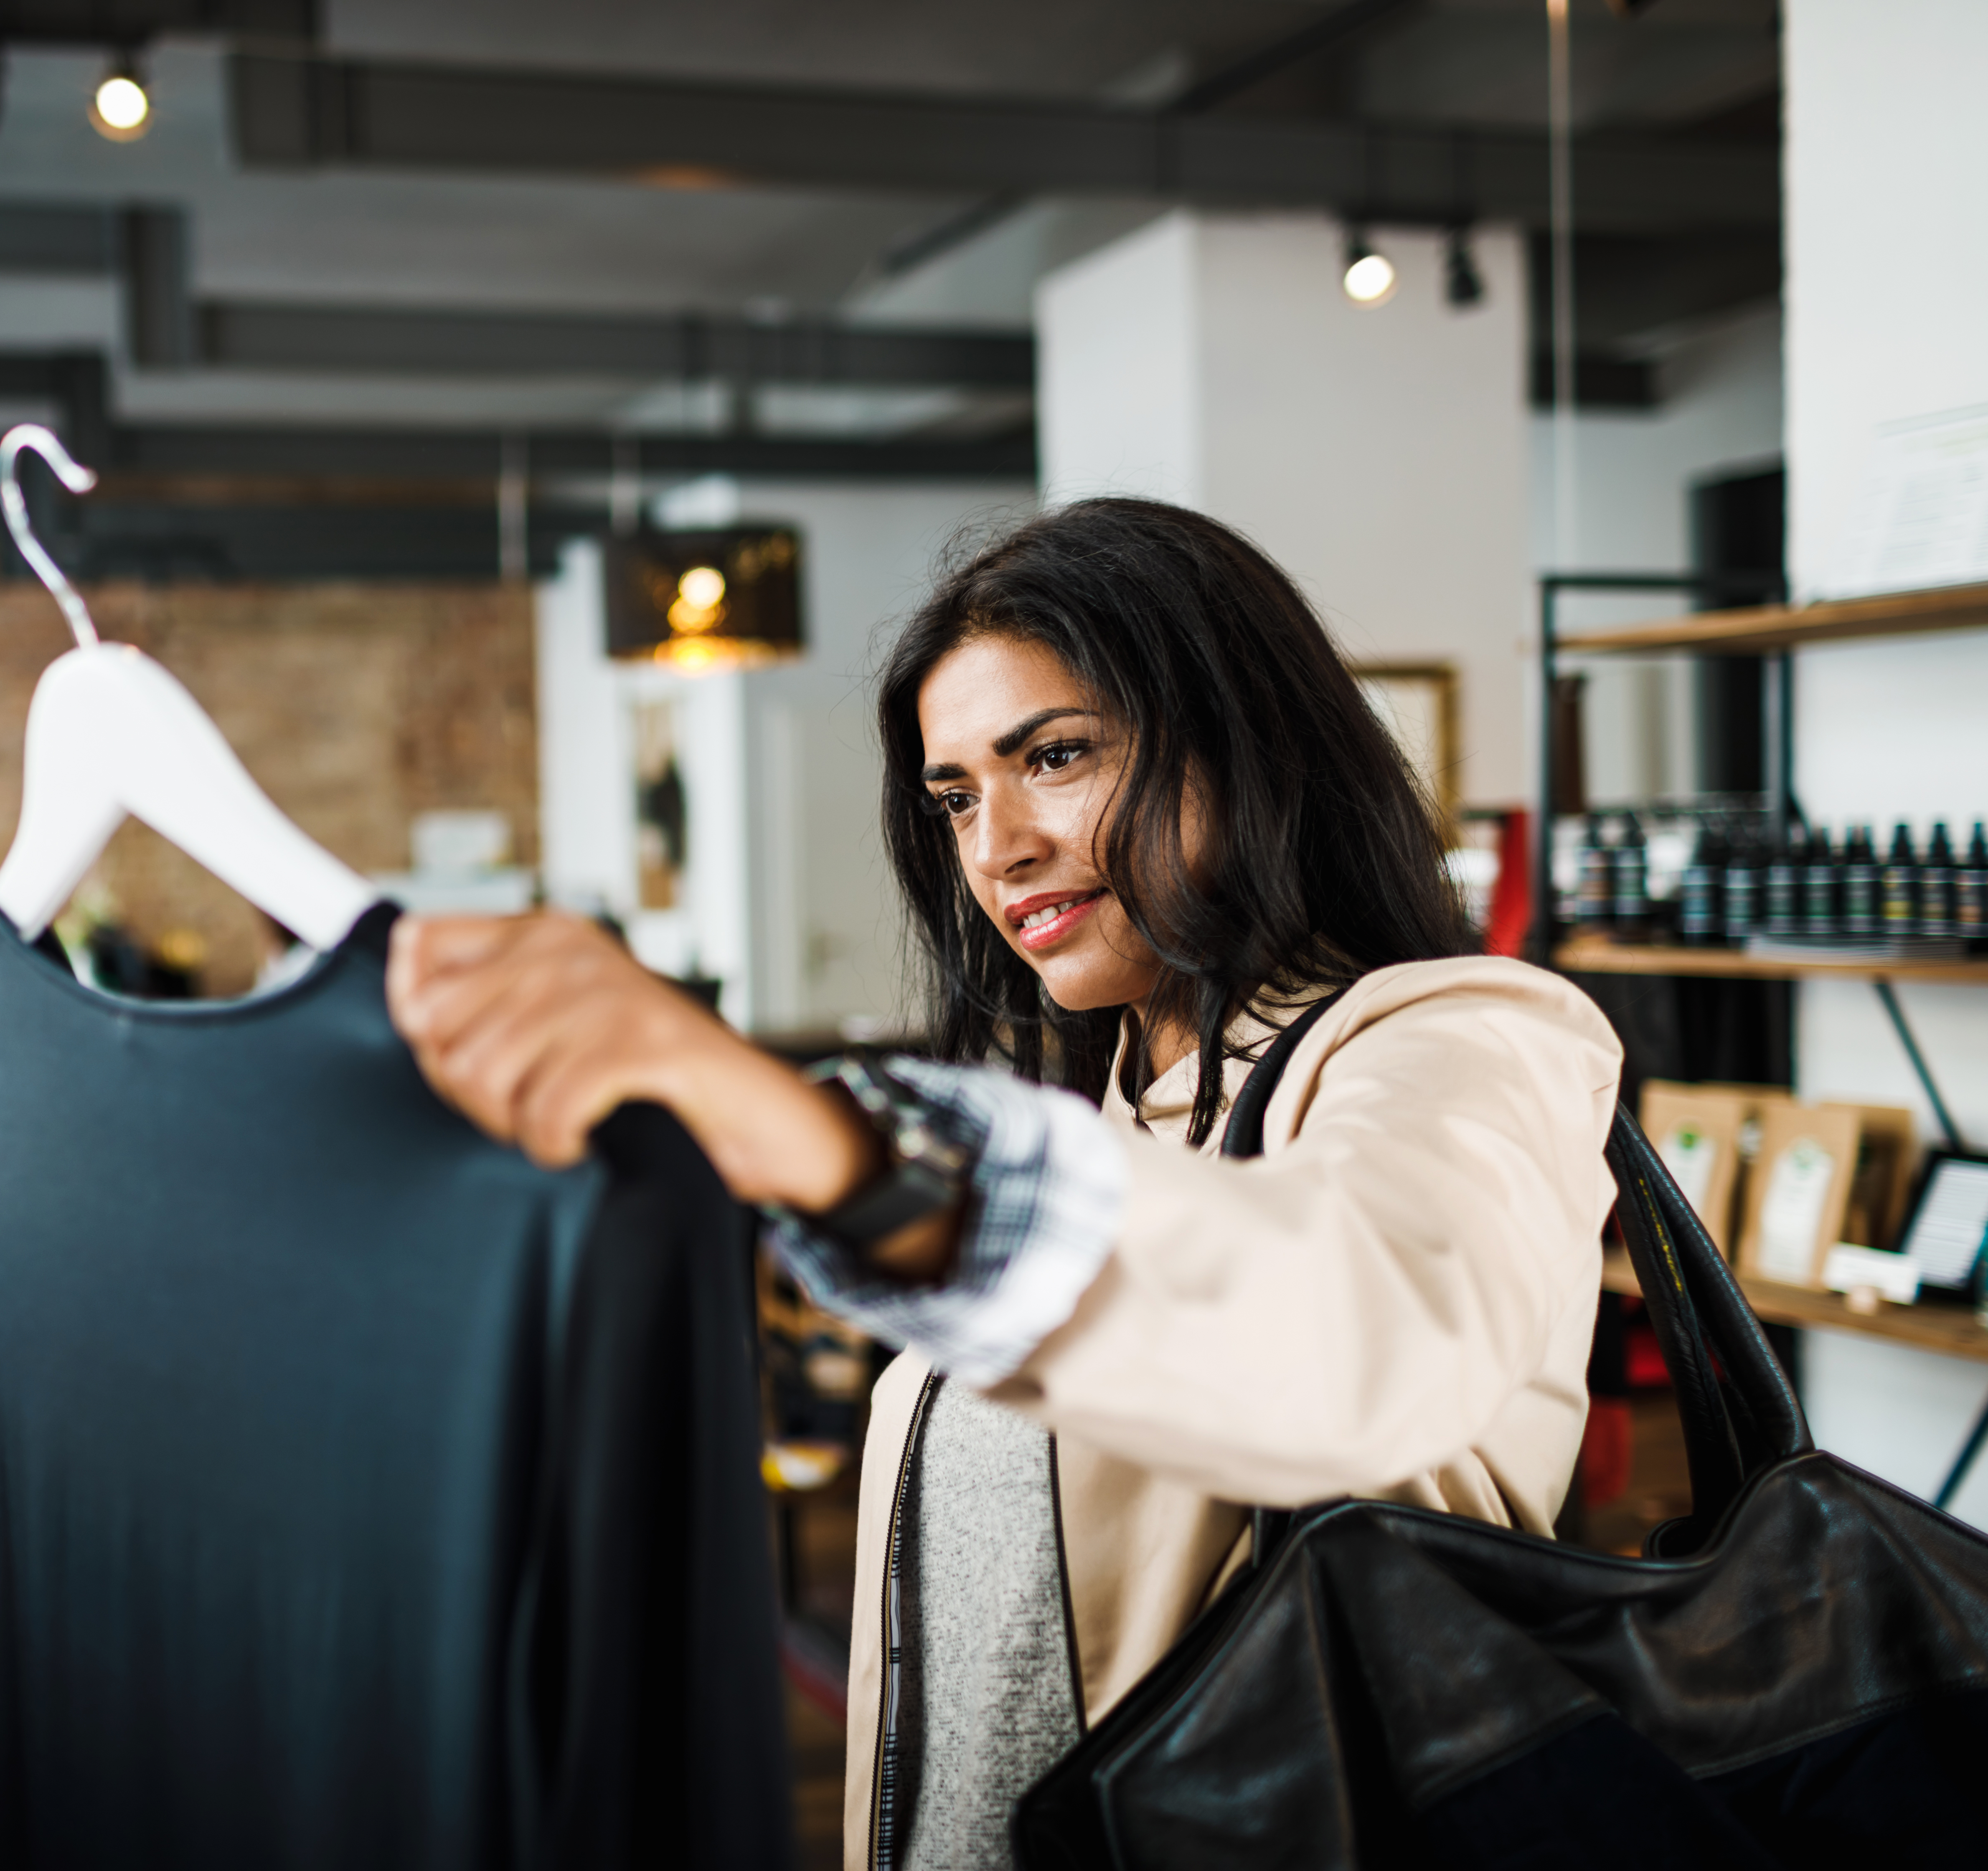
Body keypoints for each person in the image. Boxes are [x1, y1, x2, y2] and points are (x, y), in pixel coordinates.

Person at [386, 498, 1621, 1871]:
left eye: (1059, 756)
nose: (996, 848)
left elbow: (1357, 1328)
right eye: (958, 794)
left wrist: (833, 1147)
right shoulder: (1113, 1118)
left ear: (1250, 741)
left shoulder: (1470, 1040)